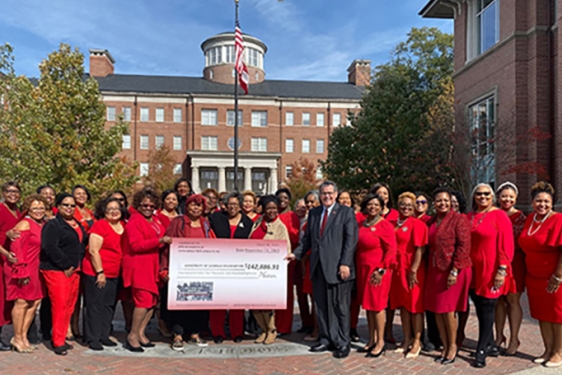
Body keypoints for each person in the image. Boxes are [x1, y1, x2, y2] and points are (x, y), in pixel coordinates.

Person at [289, 181, 358, 359]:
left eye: (329, 193)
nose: (326, 196)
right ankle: (326, 339)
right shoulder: (314, 213)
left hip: (338, 268)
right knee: (320, 306)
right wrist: (295, 255)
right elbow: (308, 241)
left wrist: (345, 263)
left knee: (340, 307)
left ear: (335, 194)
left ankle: (342, 342)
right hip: (318, 267)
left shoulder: (346, 212)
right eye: (323, 193)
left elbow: (350, 241)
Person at [467, 183, 515, 368]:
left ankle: (481, 349)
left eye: (487, 194)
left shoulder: (499, 215)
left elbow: (506, 245)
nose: (483, 197)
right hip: (472, 268)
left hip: (491, 268)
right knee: (479, 305)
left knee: (488, 306)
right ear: (474, 196)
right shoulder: (470, 216)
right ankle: (490, 344)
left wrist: (502, 270)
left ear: (492, 196)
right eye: (479, 194)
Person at [424, 187, 472, 365]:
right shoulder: (432, 221)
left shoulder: (459, 219)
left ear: (450, 202)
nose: (442, 203)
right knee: (437, 309)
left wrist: (455, 270)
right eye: (439, 200)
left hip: (453, 269)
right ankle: (444, 345)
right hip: (435, 269)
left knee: (448, 309)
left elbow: (464, 246)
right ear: (434, 203)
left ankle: (452, 346)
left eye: (445, 200)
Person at [122, 188, 172, 352]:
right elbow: (136, 245)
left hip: (152, 265)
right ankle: (133, 335)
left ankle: (141, 333)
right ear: (138, 205)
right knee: (143, 301)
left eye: (151, 205)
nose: (148, 208)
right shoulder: (135, 221)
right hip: (139, 265)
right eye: (145, 205)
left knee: (151, 302)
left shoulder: (155, 221)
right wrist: (159, 240)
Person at [518, 181, 562, 367]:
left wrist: (559, 275)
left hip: (553, 278)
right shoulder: (530, 219)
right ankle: (547, 349)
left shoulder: (558, 219)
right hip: (534, 277)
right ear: (532, 202)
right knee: (542, 315)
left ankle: (558, 352)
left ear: (552, 203)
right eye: (538, 201)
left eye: (546, 201)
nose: (542, 205)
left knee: (557, 316)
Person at [163, 194, 214, 350]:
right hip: (181, 271)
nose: (196, 208)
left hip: (200, 271)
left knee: (198, 302)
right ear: (187, 206)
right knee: (180, 303)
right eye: (193, 204)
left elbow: (214, 245)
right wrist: (164, 269)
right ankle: (177, 335)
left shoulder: (205, 224)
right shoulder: (177, 223)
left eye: (199, 205)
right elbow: (167, 247)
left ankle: (194, 334)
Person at [40, 193, 88, 355]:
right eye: (65, 205)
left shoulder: (76, 223)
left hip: (75, 271)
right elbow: (50, 247)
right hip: (58, 270)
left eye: (72, 205)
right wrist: (66, 264)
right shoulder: (53, 225)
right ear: (58, 207)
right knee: (60, 306)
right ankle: (58, 341)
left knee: (69, 306)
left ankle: (61, 336)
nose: (69, 208)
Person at [353, 193, 397, 358]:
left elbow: (391, 250)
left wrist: (382, 270)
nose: (373, 207)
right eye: (370, 204)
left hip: (378, 271)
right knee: (369, 307)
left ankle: (380, 342)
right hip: (363, 269)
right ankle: (371, 339)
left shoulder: (384, 225)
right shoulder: (362, 224)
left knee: (378, 306)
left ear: (381, 207)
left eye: (376, 205)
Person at [6, 194, 48, 352]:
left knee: (35, 302)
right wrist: (21, 271)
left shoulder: (42, 223)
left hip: (38, 269)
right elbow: (16, 250)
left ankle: (23, 336)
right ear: (28, 209)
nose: (39, 211)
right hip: (25, 267)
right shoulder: (24, 224)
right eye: (35, 208)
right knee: (22, 302)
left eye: (41, 208)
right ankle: (17, 338)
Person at [209, 192, 253, 343]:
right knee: (218, 301)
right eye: (230, 204)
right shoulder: (216, 218)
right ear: (225, 206)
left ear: (240, 206)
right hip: (219, 264)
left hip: (239, 266)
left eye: (235, 204)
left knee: (237, 301)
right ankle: (218, 332)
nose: (232, 207)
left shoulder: (248, 222)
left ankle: (237, 332)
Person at [82, 197, 125, 351]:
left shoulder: (124, 226)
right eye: (109, 209)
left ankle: (104, 335)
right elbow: (93, 251)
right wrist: (100, 272)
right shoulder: (100, 226)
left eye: (116, 209)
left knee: (109, 305)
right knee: (95, 305)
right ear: (104, 211)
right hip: (97, 271)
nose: (113, 212)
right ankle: (93, 337)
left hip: (115, 272)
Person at [390, 192, 428, 358]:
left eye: (409, 205)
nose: (406, 208)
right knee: (403, 305)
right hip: (397, 268)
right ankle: (406, 338)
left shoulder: (417, 224)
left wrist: (414, 269)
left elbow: (420, 249)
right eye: (403, 205)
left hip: (412, 267)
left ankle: (417, 341)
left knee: (415, 306)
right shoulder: (393, 224)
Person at [250, 195, 291, 345]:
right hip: (254, 269)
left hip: (270, 271)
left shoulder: (280, 227)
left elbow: (286, 250)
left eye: (274, 208)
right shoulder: (258, 223)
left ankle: (271, 329)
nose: (272, 211)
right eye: (269, 208)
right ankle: (263, 330)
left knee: (267, 304)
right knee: (255, 304)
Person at [494, 182, 526, 356]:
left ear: (516, 198)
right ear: (498, 197)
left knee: (513, 301)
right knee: (498, 301)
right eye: (504, 196)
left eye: (510, 196)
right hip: (495, 263)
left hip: (515, 263)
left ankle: (514, 338)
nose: (507, 199)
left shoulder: (522, 218)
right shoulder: (493, 214)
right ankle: (498, 336)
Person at [0, 181, 22, 351]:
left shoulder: (18, 211)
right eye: (9, 191)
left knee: (7, 299)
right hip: (2, 259)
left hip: (11, 262)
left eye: (16, 191)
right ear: (3, 193)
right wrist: (6, 253)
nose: (13, 194)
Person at [275, 188, 300, 335]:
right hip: (272, 260)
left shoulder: (292, 217)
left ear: (289, 200)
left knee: (286, 294)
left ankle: (284, 326)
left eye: (285, 198)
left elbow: (295, 237)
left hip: (287, 259)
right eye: (279, 198)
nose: (282, 200)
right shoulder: (272, 214)